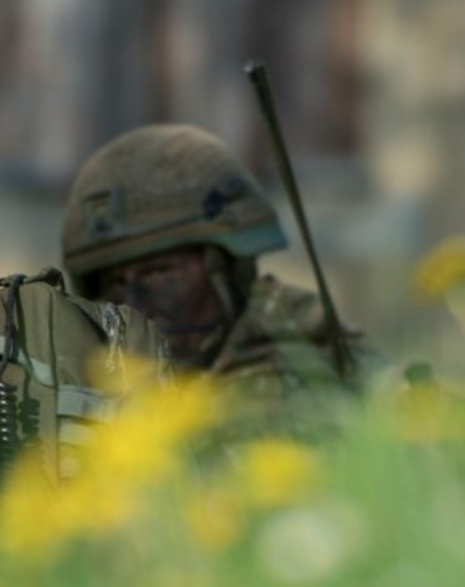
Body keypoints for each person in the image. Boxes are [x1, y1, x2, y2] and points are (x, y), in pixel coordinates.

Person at [61, 123, 377, 413]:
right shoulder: (87, 393)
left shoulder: (315, 368)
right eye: (115, 282)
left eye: (158, 273)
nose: (133, 303)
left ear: (226, 270)